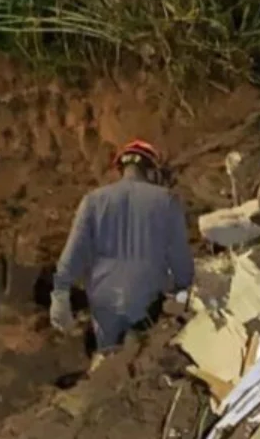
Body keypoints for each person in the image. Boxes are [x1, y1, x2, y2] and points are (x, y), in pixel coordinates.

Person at [50, 139, 194, 359]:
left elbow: (73, 254)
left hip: (104, 300)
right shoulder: (167, 200)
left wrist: (60, 294)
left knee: (110, 360)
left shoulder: (92, 201)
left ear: (122, 168)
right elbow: (180, 258)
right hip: (147, 299)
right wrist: (183, 288)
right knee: (143, 360)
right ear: (152, 170)